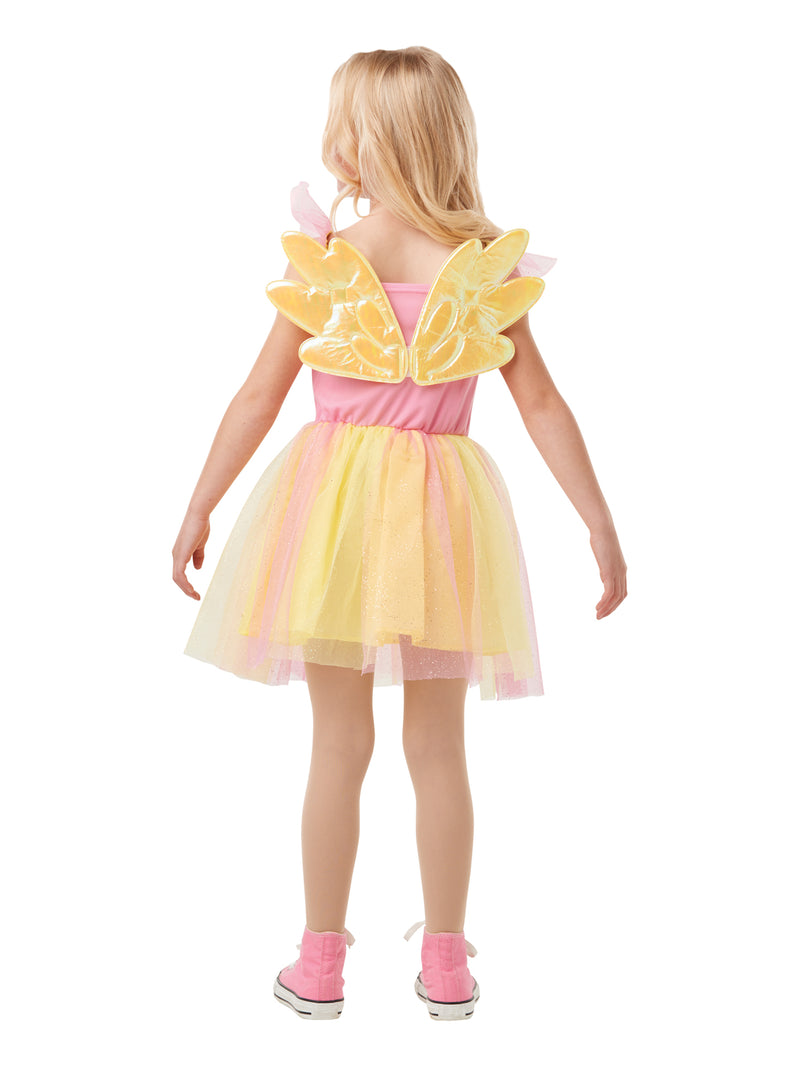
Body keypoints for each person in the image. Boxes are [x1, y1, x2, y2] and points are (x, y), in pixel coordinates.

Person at [172, 46, 627, 1022]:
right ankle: (448, 966)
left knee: (337, 742)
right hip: (440, 517)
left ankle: (319, 965)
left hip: (331, 517)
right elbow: (541, 402)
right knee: (438, 747)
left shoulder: (332, 260)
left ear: (365, 138)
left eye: (341, 125)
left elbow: (258, 395)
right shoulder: (479, 267)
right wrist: (597, 520)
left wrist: (200, 502)